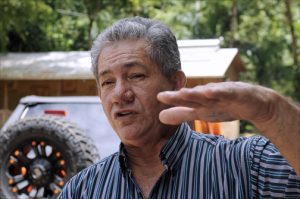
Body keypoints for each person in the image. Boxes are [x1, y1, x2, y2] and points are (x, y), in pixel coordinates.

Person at [59, 16, 300, 198]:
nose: (120, 94)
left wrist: (270, 111)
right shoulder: (82, 189)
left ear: (176, 83)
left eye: (136, 75)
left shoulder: (244, 165)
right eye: (108, 82)